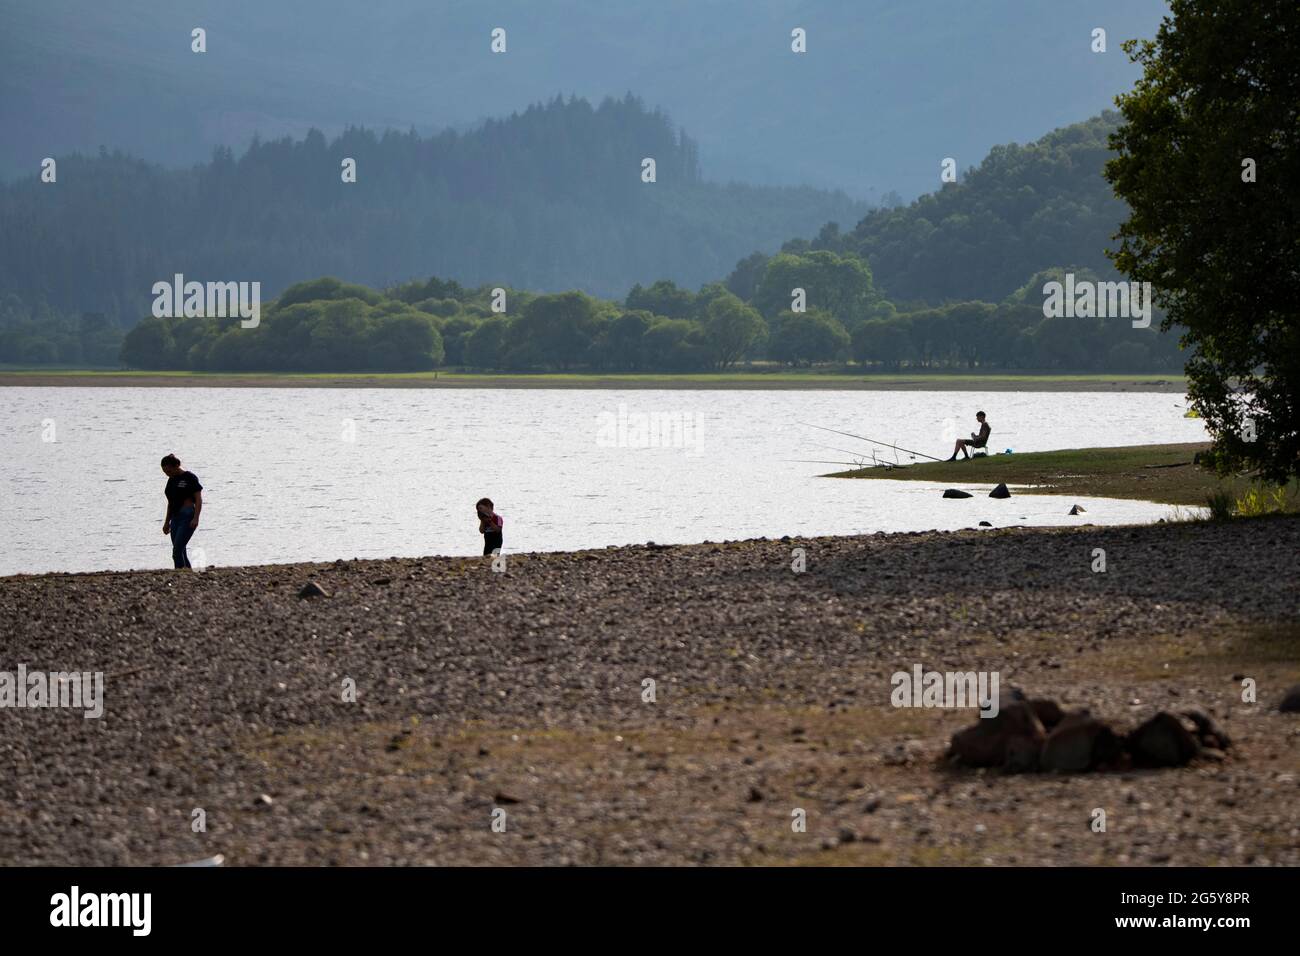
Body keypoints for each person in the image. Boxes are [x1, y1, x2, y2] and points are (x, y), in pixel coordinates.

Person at [161, 454, 203, 568]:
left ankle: (179, 574)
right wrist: (166, 522)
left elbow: (198, 499)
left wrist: (196, 518)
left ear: (176, 466)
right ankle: (188, 574)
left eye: (169, 471)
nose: (167, 474)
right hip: (175, 517)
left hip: (187, 515)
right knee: (181, 550)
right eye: (165, 472)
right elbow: (170, 503)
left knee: (177, 551)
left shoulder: (190, 477)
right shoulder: (171, 481)